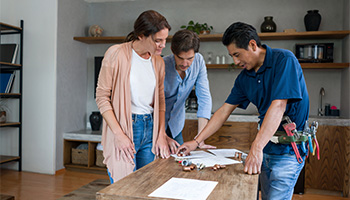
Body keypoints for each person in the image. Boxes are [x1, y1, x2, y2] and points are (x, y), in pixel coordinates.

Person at [176, 22, 309, 200]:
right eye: (232, 56)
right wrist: (196, 141)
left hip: (288, 151)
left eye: (237, 55)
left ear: (253, 45)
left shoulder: (284, 60)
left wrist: (256, 146)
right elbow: (224, 111)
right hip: (267, 147)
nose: (236, 62)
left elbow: (278, 106)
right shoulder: (244, 78)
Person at [96, 10, 173, 184]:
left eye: (165, 40)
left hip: (150, 128)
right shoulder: (115, 54)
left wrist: (160, 134)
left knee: (147, 186)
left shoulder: (158, 62)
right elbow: (101, 97)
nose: (163, 45)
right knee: (123, 188)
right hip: (125, 127)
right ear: (141, 36)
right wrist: (119, 135)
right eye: (158, 40)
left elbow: (160, 102)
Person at [163, 29, 215, 151]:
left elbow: (204, 98)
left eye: (190, 58)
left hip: (176, 126)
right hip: (154, 127)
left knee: (179, 163)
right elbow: (153, 105)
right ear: (172, 51)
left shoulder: (199, 61)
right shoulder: (162, 65)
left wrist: (200, 138)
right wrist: (163, 136)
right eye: (180, 58)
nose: (185, 63)